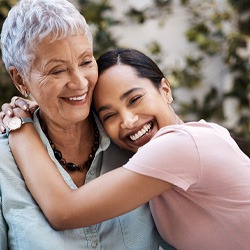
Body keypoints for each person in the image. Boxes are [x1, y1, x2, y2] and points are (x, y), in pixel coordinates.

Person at [1, 48, 250, 250]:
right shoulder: (153, 168)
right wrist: (46, 105)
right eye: (110, 115)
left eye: (134, 99)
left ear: (165, 90)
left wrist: (19, 124)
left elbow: (64, 211)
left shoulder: (182, 146)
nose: (128, 121)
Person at [0, 1, 169, 249]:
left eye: (86, 61)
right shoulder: (5, 166)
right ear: (20, 79)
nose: (79, 83)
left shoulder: (133, 138)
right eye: (57, 71)